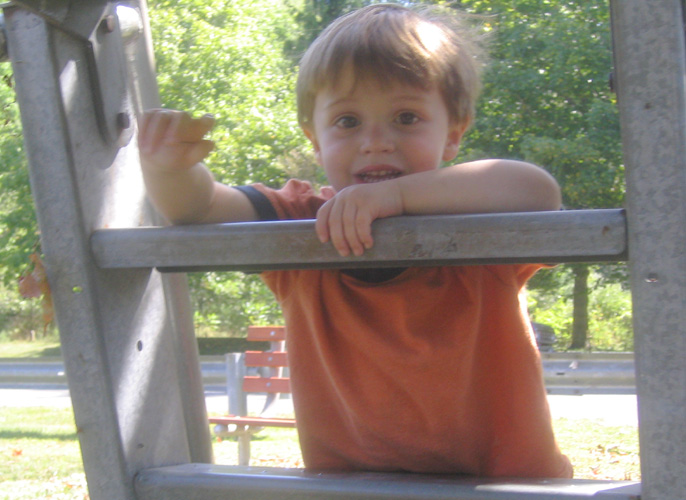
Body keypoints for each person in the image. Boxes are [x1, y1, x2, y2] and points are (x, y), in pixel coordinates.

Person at [138, 3, 572, 478]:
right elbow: (199, 208)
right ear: (314, 139)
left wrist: (397, 196)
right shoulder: (300, 218)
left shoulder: (474, 216)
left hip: (504, 486)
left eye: (406, 117)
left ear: (453, 133)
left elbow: (538, 191)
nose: (376, 141)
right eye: (348, 121)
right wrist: (169, 170)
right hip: (355, 488)